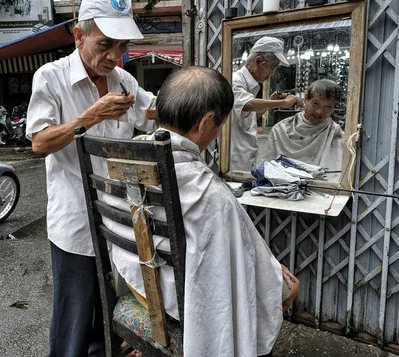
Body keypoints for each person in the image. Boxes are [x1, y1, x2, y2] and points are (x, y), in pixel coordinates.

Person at [104, 66, 300, 357]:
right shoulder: (209, 193)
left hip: (138, 289)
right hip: (177, 308)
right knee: (282, 290)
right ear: (207, 122)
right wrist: (277, 280)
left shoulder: (123, 161)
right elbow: (239, 278)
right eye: (220, 124)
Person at [26, 0, 156, 357]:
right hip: (76, 220)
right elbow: (39, 143)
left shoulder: (124, 80)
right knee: (74, 316)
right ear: (80, 36)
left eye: (121, 47)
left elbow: (151, 113)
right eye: (105, 45)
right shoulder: (49, 77)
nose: (115, 56)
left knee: (107, 308)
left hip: (119, 220)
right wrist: (90, 116)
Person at [230, 36, 303, 171]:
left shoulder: (250, 85)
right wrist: (282, 102)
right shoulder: (235, 81)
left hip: (246, 159)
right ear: (258, 61)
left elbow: (248, 117)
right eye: (272, 67)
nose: (272, 74)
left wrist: (271, 101)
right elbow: (247, 104)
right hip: (234, 161)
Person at [261, 79, 344, 170]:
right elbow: (266, 167)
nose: (320, 111)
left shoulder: (335, 134)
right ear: (306, 99)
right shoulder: (280, 130)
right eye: (315, 104)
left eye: (328, 107)